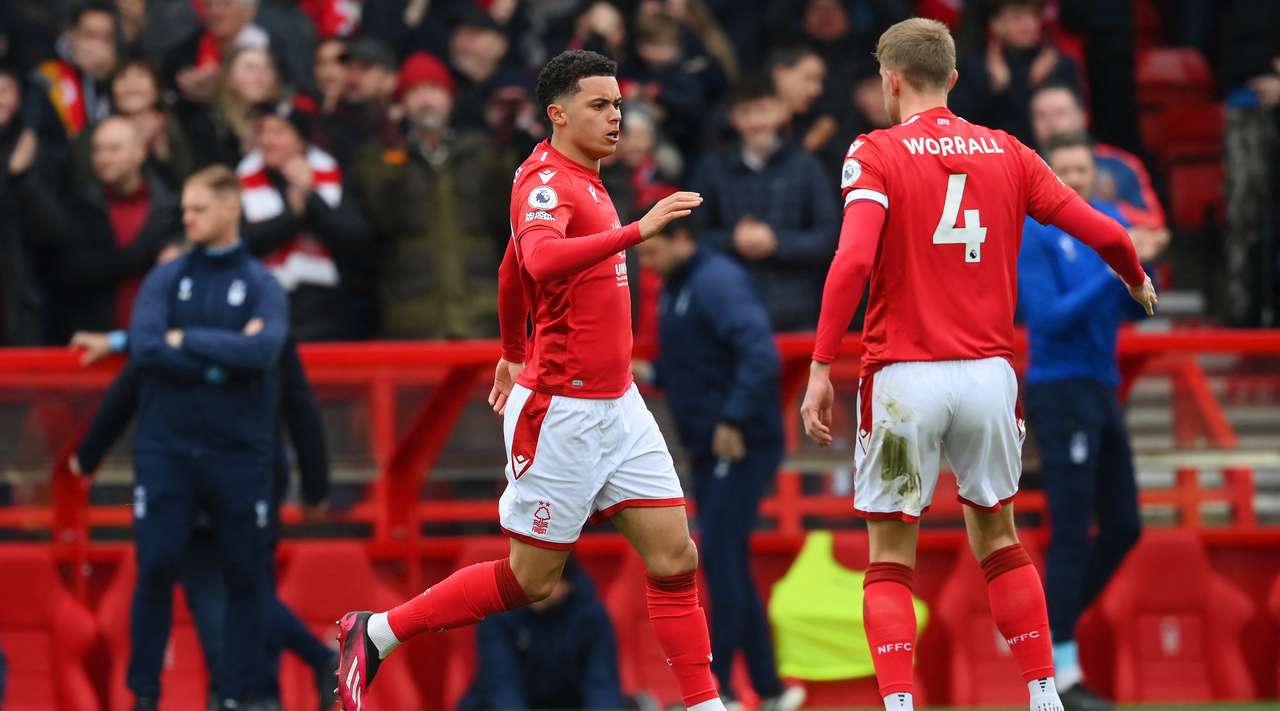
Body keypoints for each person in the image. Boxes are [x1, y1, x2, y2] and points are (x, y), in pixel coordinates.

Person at [335, 50, 718, 711]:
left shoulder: (589, 176)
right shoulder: (545, 179)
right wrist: (636, 231)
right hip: (562, 410)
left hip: (617, 404)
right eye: (599, 105)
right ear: (558, 113)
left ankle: (706, 703)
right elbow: (540, 257)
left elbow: (514, 267)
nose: (615, 116)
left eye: (619, 104)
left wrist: (511, 349)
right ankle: (376, 632)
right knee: (530, 581)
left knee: (676, 556)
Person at [798, 18, 1155, 711]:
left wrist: (819, 363)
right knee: (999, 538)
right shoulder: (1009, 151)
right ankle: (1044, 692)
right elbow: (1105, 229)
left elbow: (852, 260)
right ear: (955, 79)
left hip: (905, 381)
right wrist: (1133, 273)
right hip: (989, 379)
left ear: (889, 80)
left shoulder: (874, 152)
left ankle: (899, 701)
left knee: (891, 551)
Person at [71, 325, 338, 711]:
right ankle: (305, 667)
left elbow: (129, 387)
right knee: (250, 591)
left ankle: (248, 690)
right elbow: (300, 405)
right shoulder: (261, 315)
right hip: (253, 484)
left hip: (202, 491)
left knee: (221, 596)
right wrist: (315, 486)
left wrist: (86, 457)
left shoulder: (207, 321)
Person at [126, 165, 288, 710]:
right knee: (155, 566)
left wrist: (187, 340)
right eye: (185, 209)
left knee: (247, 574)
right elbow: (146, 348)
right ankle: (144, 695)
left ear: (229, 209)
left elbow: (264, 353)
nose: (187, 218)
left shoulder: (262, 284)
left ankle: (238, 695)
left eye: (197, 209)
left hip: (237, 454)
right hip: (167, 451)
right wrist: (222, 359)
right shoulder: (166, 278)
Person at [633, 220, 803, 711]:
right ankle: (769, 688)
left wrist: (733, 418)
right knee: (726, 560)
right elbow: (696, 365)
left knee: (722, 558)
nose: (648, 264)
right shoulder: (678, 288)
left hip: (740, 443)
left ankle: (721, 688)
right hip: (709, 445)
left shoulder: (716, 283)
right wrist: (646, 372)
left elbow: (758, 354)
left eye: (653, 253)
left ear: (685, 239)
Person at [1019, 132, 1152, 711]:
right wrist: (1113, 264)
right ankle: (1060, 674)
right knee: (1071, 529)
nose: (1072, 179)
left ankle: (1054, 625)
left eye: (1081, 169)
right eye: (1063, 169)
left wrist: (1145, 266)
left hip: (1102, 384)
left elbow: (1133, 306)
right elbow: (1046, 317)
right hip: (1060, 387)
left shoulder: (1102, 224)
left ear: (1096, 176)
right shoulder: (1039, 231)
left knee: (1125, 524)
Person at [353, 51, 510, 340]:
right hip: (414, 321)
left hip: (481, 316)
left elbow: (507, 216)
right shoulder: (381, 155)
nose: (426, 99)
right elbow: (381, 219)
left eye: (434, 89)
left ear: (449, 98)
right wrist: (393, 152)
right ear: (402, 104)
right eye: (415, 92)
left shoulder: (482, 151)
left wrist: (507, 137)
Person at [692, 75, 838, 332]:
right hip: (729, 306)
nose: (756, 122)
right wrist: (733, 241)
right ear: (733, 118)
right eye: (746, 113)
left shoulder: (805, 165)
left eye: (763, 111)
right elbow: (694, 235)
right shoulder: (712, 169)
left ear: (781, 112)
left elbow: (828, 236)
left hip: (798, 311)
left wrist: (776, 242)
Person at [27, 117, 182, 337]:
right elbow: (72, 270)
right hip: (93, 344)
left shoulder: (172, 208)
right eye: (97, 150)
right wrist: (142, 254)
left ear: (140, 152)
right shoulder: (78, 207)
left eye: (114, 149)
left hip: (157, 340)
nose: (103, 158)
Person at [238, 100, 372, 341]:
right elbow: (242, 242)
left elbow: (355, 238)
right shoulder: (242, 181)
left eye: (278, 132)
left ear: (301, 142)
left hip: (325, 312)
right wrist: (292, 216)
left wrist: (311, 196)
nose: (267, 141)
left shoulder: (331, 177)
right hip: (262, 308)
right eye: (263, 132)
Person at [456, 558, 627, 711]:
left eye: (547, 580)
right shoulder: (500, 612)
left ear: (567, 584)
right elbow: (502, 686)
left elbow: (602, 683)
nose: (534, 587)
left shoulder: (592, 615)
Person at [1027, 83, 1168, 253]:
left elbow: (1155, 223)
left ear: (1082, 116)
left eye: (1060, 113)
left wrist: (1105, 212)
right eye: (1041, 116)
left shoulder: (1120, 166)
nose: (1051, 123)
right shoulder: (1022, 170)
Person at [950, 0, 1080, 146]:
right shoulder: (974, 66)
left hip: (1049, 157)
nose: (1029, 25)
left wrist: (1043, 84)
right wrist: (994, 90)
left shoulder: (1056, 64)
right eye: (1017, 17)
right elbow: (959, 123)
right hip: (993, 155)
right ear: (995, 24)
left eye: (1033, 16)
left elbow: (1077, 121)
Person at [31, 0, 118, 140]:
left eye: (106, 37)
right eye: (90, 35)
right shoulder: (46, 72)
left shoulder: (119, 74)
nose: (98, 45)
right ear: (71, 36)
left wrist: (108, 78)